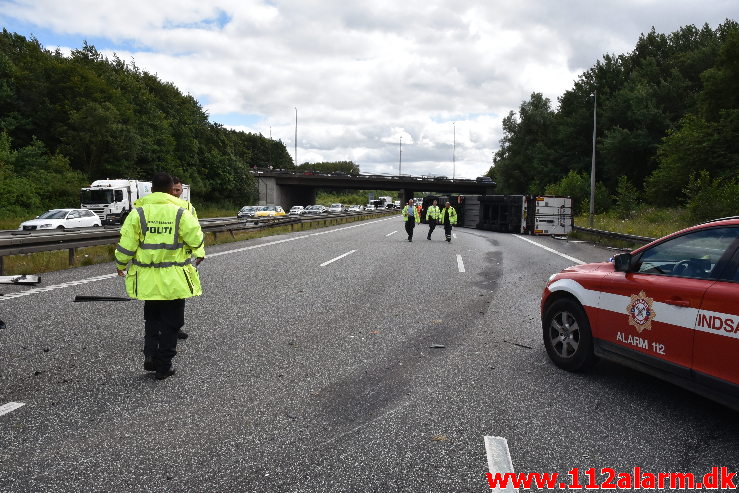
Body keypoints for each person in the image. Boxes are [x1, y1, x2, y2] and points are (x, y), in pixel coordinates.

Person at [115, 172, 205, 380]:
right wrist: (199, 254)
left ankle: (150, 355)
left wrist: (120, 264)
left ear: (152, 189)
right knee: (172, 324)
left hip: (148, 279)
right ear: (170, 188)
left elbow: (126, 245)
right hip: (174, 279)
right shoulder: (181, 212)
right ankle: (164, 367)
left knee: (152, 320)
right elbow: (196, 239)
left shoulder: (138, 213)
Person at [170, 176, 198, 340]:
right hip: (159, 260)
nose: (175, 193)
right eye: (172, 189)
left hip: (181, 260)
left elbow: (195, 231)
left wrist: (198, 251)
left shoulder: (188, 207)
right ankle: (156, 332)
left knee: (179, 297)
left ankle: (176, 328)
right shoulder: (157, 207)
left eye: (178, 190)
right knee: (159, 298)